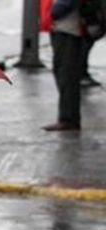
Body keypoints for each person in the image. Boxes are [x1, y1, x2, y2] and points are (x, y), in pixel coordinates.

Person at [46, 0, 85, 131]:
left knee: (67, 76)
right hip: (62, 29)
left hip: (68, 31)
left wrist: (53, 10)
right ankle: (67, 117)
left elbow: (63, 6)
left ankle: (69, 119)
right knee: (63, 73)